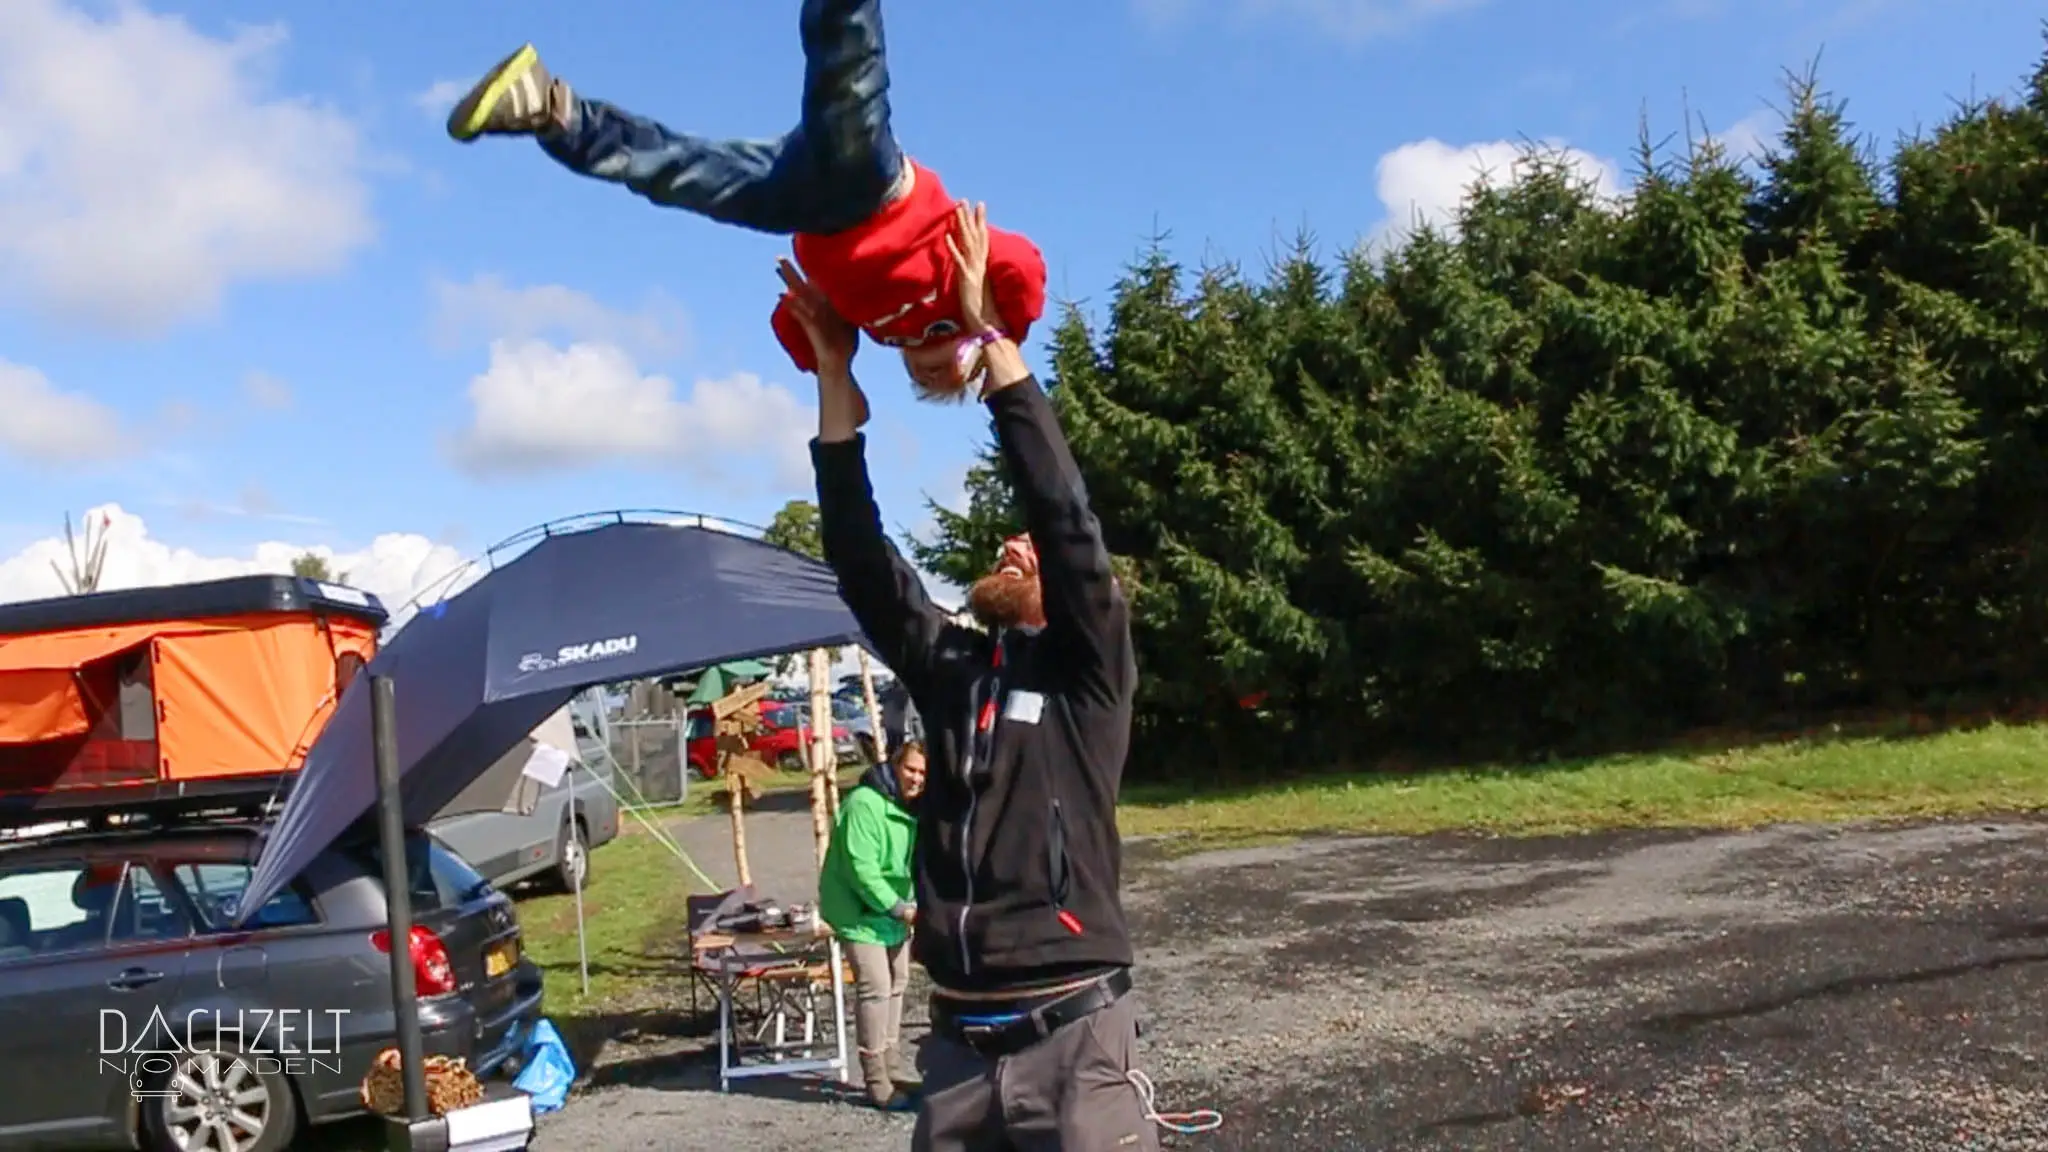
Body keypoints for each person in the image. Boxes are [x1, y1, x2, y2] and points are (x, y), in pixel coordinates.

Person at [787, 201, 1159, 1151]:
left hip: (1072, 1037)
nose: (1010, 542)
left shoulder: (1089, 675)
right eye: (1008, 542)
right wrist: (836, 380)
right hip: (953, 1052)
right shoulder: (953, 668)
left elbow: (1063, 516)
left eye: (1023, 547)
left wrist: (989, 335)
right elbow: (863, 563)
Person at [442, 0, 1047, 398]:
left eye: (924, 376)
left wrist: (819, 336)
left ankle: (551, 110)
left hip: (797, 203)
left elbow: (804, 338)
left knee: (681, 174)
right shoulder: (976, 295)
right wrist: (989, 327)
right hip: (874, 189)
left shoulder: (877, 331)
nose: (930, 364)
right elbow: (1025, 268)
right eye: (948, 366)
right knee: (846, 68)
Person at [817, 739, 927, 1111]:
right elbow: (860, 869)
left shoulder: (913, 807)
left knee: (898, 981)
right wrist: (901, 908)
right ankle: (875, 1081)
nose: (916, 778)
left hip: (894, 909)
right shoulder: (864, 803)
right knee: (875, 986)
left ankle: (893, 1070)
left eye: (923, 773)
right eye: (910, 769)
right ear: (896, 765)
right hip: (857, 909)